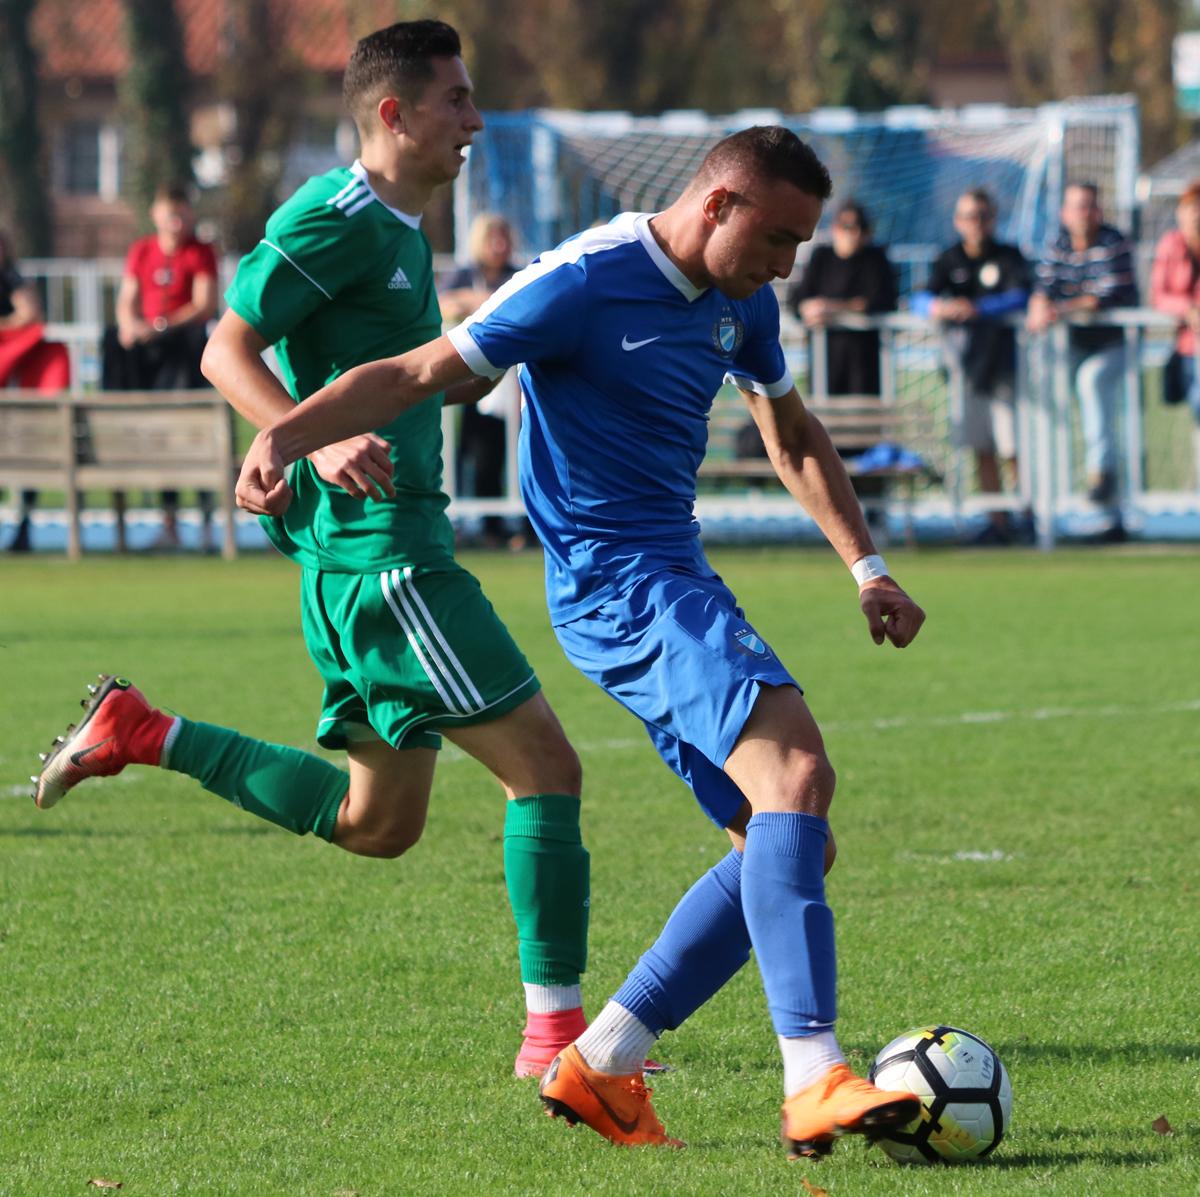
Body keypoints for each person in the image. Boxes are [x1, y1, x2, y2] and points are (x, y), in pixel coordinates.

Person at [232, 125, 927, 1158]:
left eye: (800, 245)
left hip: (673, 574)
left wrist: (868, 567)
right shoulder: (585, 281)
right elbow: (422, 369)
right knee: (796, 772)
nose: (786, 266)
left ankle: (602, 1062)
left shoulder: (744, 301)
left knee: (784, 840)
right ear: (718, 204)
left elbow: (789, 434)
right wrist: (287, 433)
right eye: (777, 238)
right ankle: (814, 1075)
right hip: (615, 584)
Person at [33, 20, 596, 1082]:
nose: (474, 121)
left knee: (378, 825)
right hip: (387, 557)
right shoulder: (334, 218)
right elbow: (224, 347)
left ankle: (145, 731)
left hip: (363, 553)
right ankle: (559, 1045)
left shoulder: (400, 229)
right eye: (456, 100)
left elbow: (391, 375)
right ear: (393, 114)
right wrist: (310, 437)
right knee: (547, 770)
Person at [102, 183, 219, 550]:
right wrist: (130, 326)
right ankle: (112, 415)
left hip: (181, 350)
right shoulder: (142, 250)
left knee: (188, 432)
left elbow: (204, 304)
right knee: (111, 339)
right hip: (148, 351)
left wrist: (162, 325)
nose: (176, 222)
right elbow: (127, 300)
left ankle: (203, 524)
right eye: (170, 214)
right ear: (156, 215)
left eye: (182, 214)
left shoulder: (200, 252)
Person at [913, 188, 1032, 545]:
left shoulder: (1008, 256)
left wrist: (979, 309)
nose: (975, 223)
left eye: (982, 216)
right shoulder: (948, 258)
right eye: (968, 216)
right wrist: (939, 308)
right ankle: (997, 521)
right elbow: (920, 298)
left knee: (1013, 447)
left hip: (1006, 368)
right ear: (957, 221)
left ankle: (1027, 516)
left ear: (992, 219)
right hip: (967, 371)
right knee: (982, 446)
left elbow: (1022, 295)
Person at [1026, 182, 1138, 538]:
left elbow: (1104, 296)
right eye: (1076, 206)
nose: (1083, 213)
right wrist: (1039, 304)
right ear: (1064, 213)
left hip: (1114, 345)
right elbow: (1044, 287)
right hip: (1070, 346)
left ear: (1099, 210)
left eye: (1089, 205)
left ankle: (1101, 478)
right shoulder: (1058, 244)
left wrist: (1059, 308)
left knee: (1093, 384)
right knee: (1046, 401)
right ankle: (1041, 503)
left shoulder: (1113, 242)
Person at [784, 200, 897, 520]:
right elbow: (799, 300)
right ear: (834, 229)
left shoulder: (876, 259)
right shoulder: (821, 257)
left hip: (865, 368)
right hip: (826, 368)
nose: (853, 234)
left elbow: (881, 300)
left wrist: (832, 309)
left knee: (865, 438)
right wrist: (810, 309)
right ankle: (832, 513)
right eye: (846, 227)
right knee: (826, 438)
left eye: (859, 228)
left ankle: (871, 511)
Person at [438, 213, 532, 548]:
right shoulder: (463, 275)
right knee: (480, 453)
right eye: (493, 238)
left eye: (504, 238)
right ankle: (488, 527)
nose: (499, 246)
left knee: (523, 452)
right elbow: (442, 303)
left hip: (514, 385)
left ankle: (526, 525)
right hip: (473, 380)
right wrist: (481, 301)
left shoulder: (519, 274)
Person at [0, 229, 71, 552]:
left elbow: (29, 314)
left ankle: (24, 524)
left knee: (27, 453)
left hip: (20, 400)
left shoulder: (12, 279)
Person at [1149, 180, 1200, 490]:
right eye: (1191, 207)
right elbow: (1159, 295)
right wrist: (1187, 309)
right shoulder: (1172, 245)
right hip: (1189, 348)